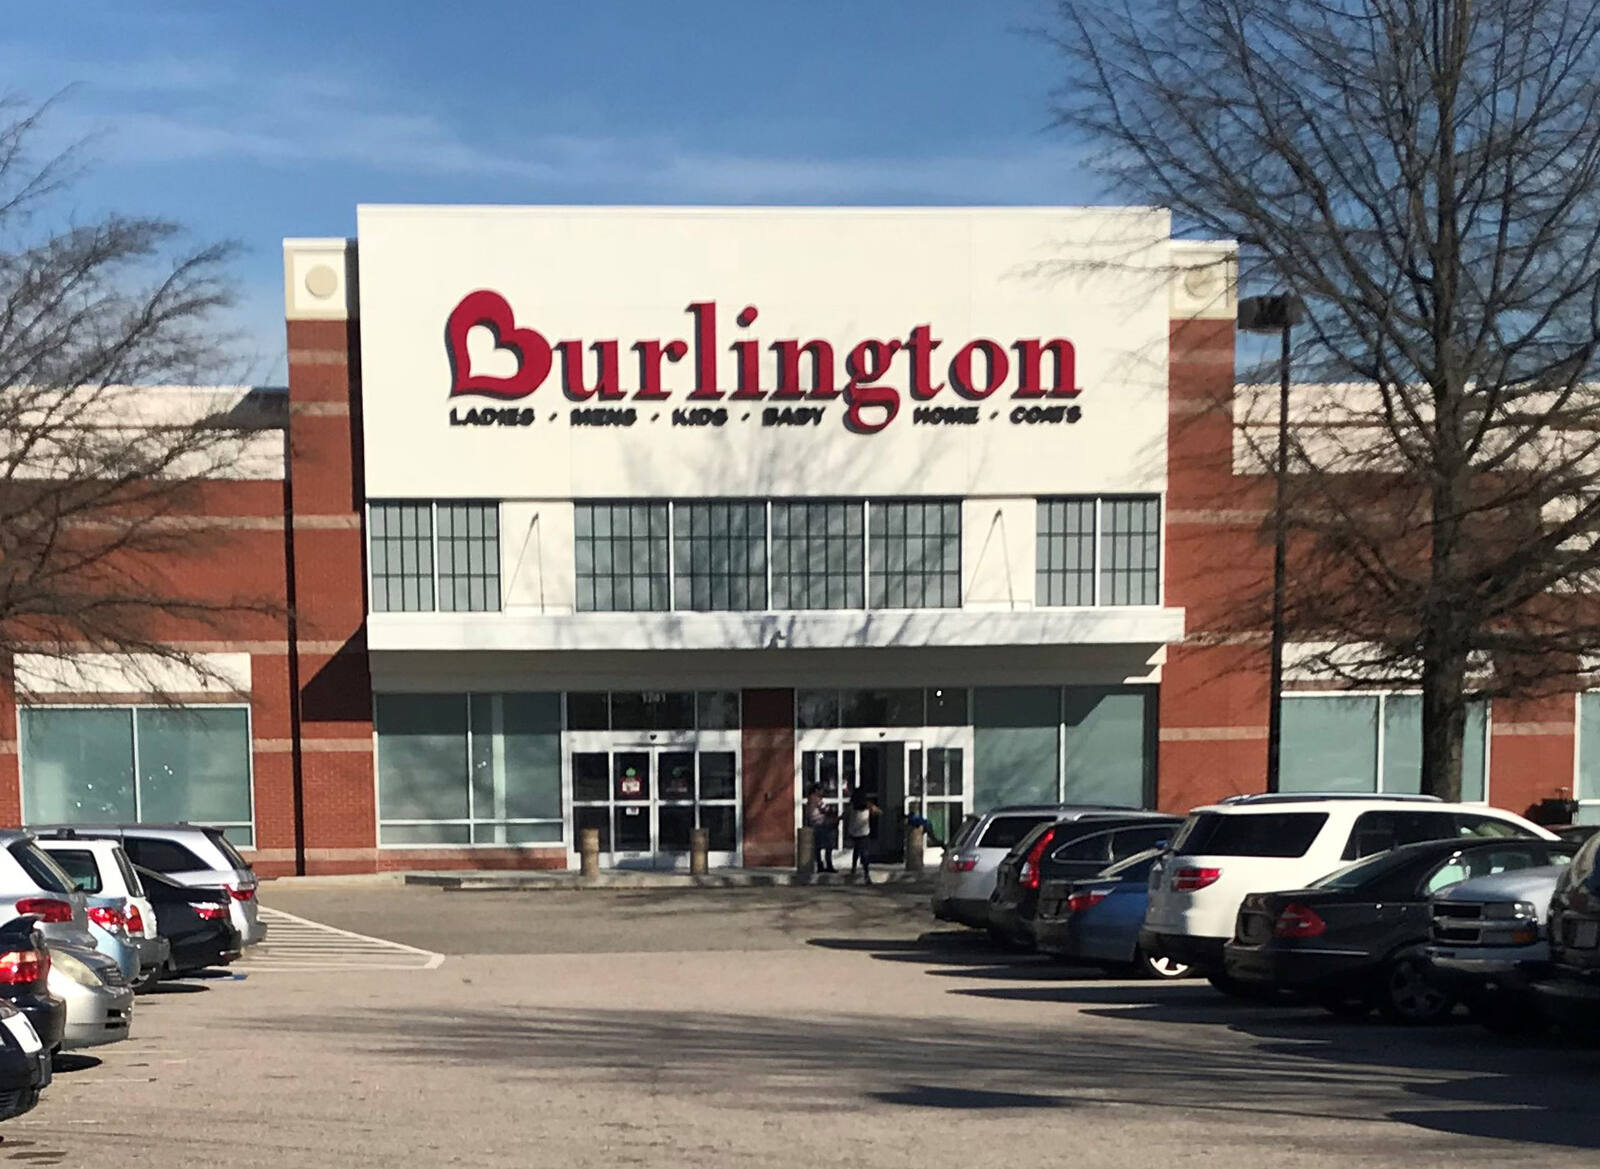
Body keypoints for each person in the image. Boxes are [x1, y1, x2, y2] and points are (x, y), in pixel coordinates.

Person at [845, 787, 881, 884]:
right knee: (864, 853)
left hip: (854, 831)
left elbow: (845, 815)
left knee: (856, 849)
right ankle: (866, 874)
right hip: (864, 832)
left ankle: (853, 868)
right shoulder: (867, 805)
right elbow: (878, 811)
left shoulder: (852, 806)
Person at [804, 786, 837, 873]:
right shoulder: (816, 799)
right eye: (821, 790)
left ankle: (820, 865)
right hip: (821, 824)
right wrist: (832, 810)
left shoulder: (809, 799)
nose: (823, 792)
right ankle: (828, 865)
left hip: (814, 824)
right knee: (828, 845)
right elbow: (826, 809)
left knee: (817, 847)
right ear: (816, 790)